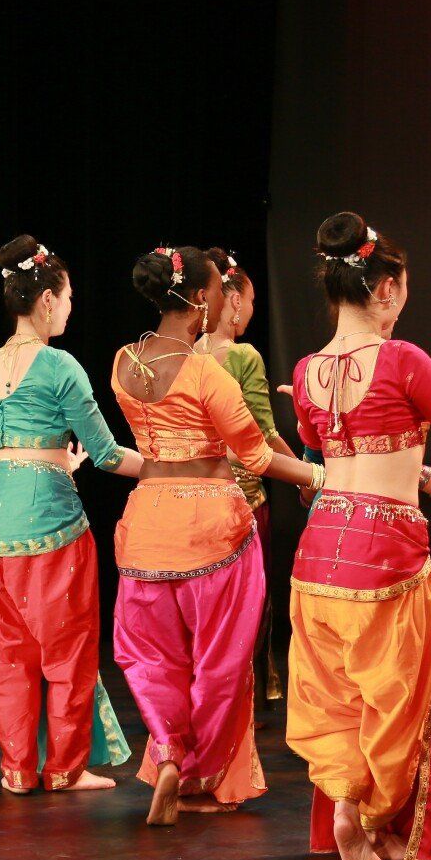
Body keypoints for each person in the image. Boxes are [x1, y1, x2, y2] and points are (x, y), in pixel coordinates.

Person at [286, 214, 431, 860]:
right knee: (397, 699)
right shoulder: (403, 359)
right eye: (403, 287)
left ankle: (346, 818)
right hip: (385, 554)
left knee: (338, 699)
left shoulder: (306, 370)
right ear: (385, 289)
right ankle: (365, 819)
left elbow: (324, 444)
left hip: (319, 551)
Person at [110, 245, 323, 825]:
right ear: (203, 298)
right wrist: (324, 474)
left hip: (148, 525)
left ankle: (169, 753)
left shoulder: (123, 362)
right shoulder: (207, 372)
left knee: (151, 657)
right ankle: (204, 772)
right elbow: (255, 455)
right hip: (212, 530)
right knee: (219, 659)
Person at [0, 236, 143, 794]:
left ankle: (17, 770)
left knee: (3, 655)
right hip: (50, 526)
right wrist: (172, 468)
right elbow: (111, 455)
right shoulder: (60, 364)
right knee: (66, 648)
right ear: (46, 300)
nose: (70, 308)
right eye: (67, 298)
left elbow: (15, 451)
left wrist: (58, 463)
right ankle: (65, 769)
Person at [200, 248, 296, 717]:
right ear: (233, 300)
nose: (253, 311)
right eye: (252, 301)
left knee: (208, 607)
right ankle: (246, 706)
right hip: (243, 499)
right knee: (248, 604)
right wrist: (307, 472)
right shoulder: (242, 356)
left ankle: (210, 703)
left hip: (194, 496)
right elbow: (264, 434)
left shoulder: (184, 353)